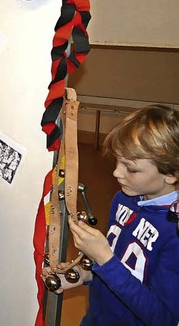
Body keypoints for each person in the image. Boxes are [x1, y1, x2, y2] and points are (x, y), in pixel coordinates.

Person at [49, 104, 179, 325]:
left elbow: (163, 318)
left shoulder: (173, 234)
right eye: (118, 161)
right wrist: (84, 275)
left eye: (131, 168)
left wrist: (104, 259)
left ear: (171, 174)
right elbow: (121, 267)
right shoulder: (124, 198)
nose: (116, 172)